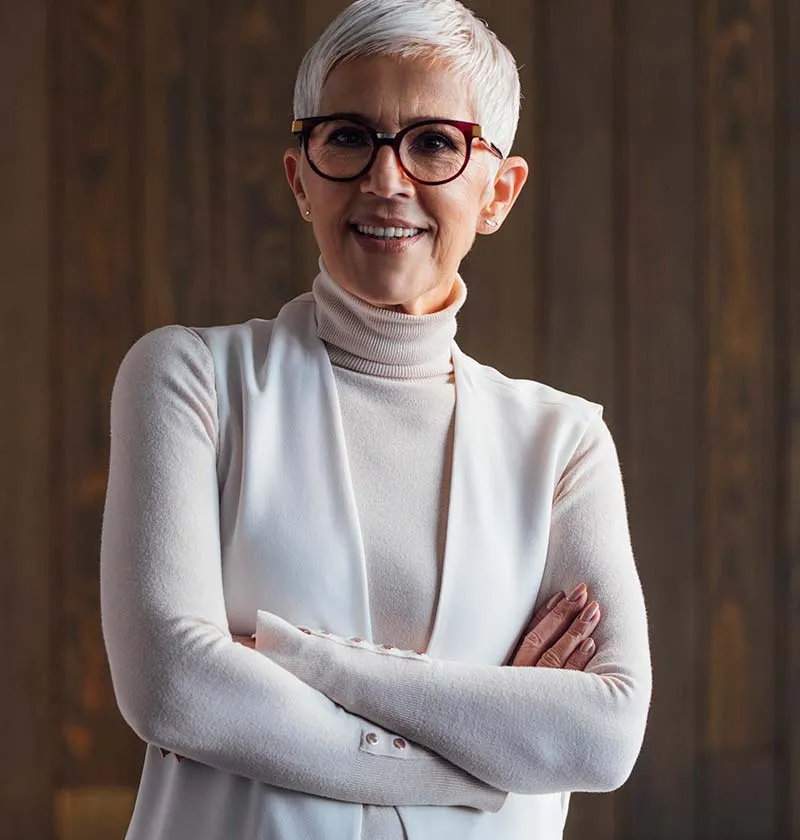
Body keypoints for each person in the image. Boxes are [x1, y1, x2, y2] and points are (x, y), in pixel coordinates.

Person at [100, 1, 652, 838]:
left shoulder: (562, 444)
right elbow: (173, 688)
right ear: (301, 179)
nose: (386, 179)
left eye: (434, 143)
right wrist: (482, 755)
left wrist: (302, 658)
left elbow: (602, 737)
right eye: (350, 136)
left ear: (498, 192)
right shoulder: (191, 379)